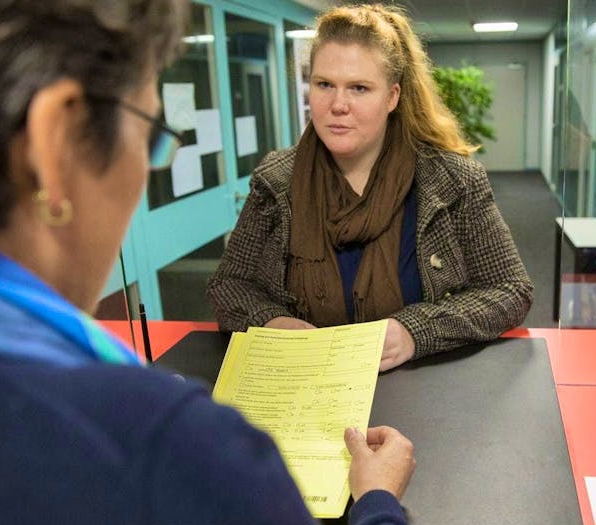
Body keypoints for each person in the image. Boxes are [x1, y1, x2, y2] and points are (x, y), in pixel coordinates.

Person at [0, 2, 423, 525]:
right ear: (53, 143)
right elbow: (231, 287)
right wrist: (377, 503)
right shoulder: (164, 448)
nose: (338, 104)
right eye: (149, 136)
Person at [206, 4, 533, 372]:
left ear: (392, 97)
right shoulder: (276, 180)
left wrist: (415, 331)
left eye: (359, 88)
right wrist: (271, 322)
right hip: (308, 388)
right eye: (324, 84)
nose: (337, 105)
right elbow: (229, 286)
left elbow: (510, 290)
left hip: (422, 392)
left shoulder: (452, 180)